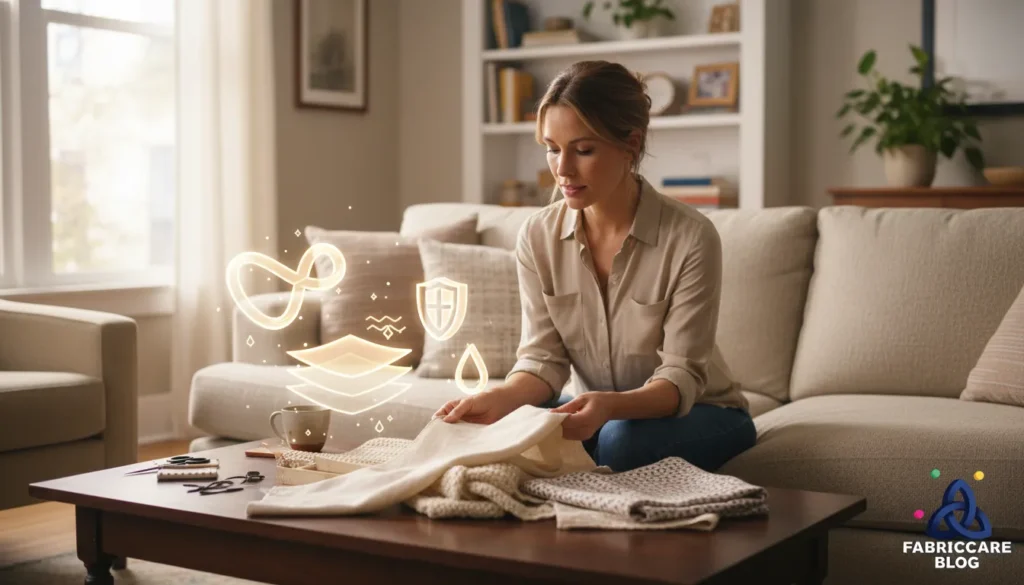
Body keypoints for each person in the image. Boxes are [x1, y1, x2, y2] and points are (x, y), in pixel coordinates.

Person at [433, 60, 755, 473]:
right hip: (600, 411)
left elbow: (680, 379)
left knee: (617, 439)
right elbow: (543, 363)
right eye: (552, 149)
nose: (563, 170)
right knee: (513, 428)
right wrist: (499, 399)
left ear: (631, 146)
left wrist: (609, 407)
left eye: (583, 150)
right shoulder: (537, 237)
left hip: (702, 412)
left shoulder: (691, 237)